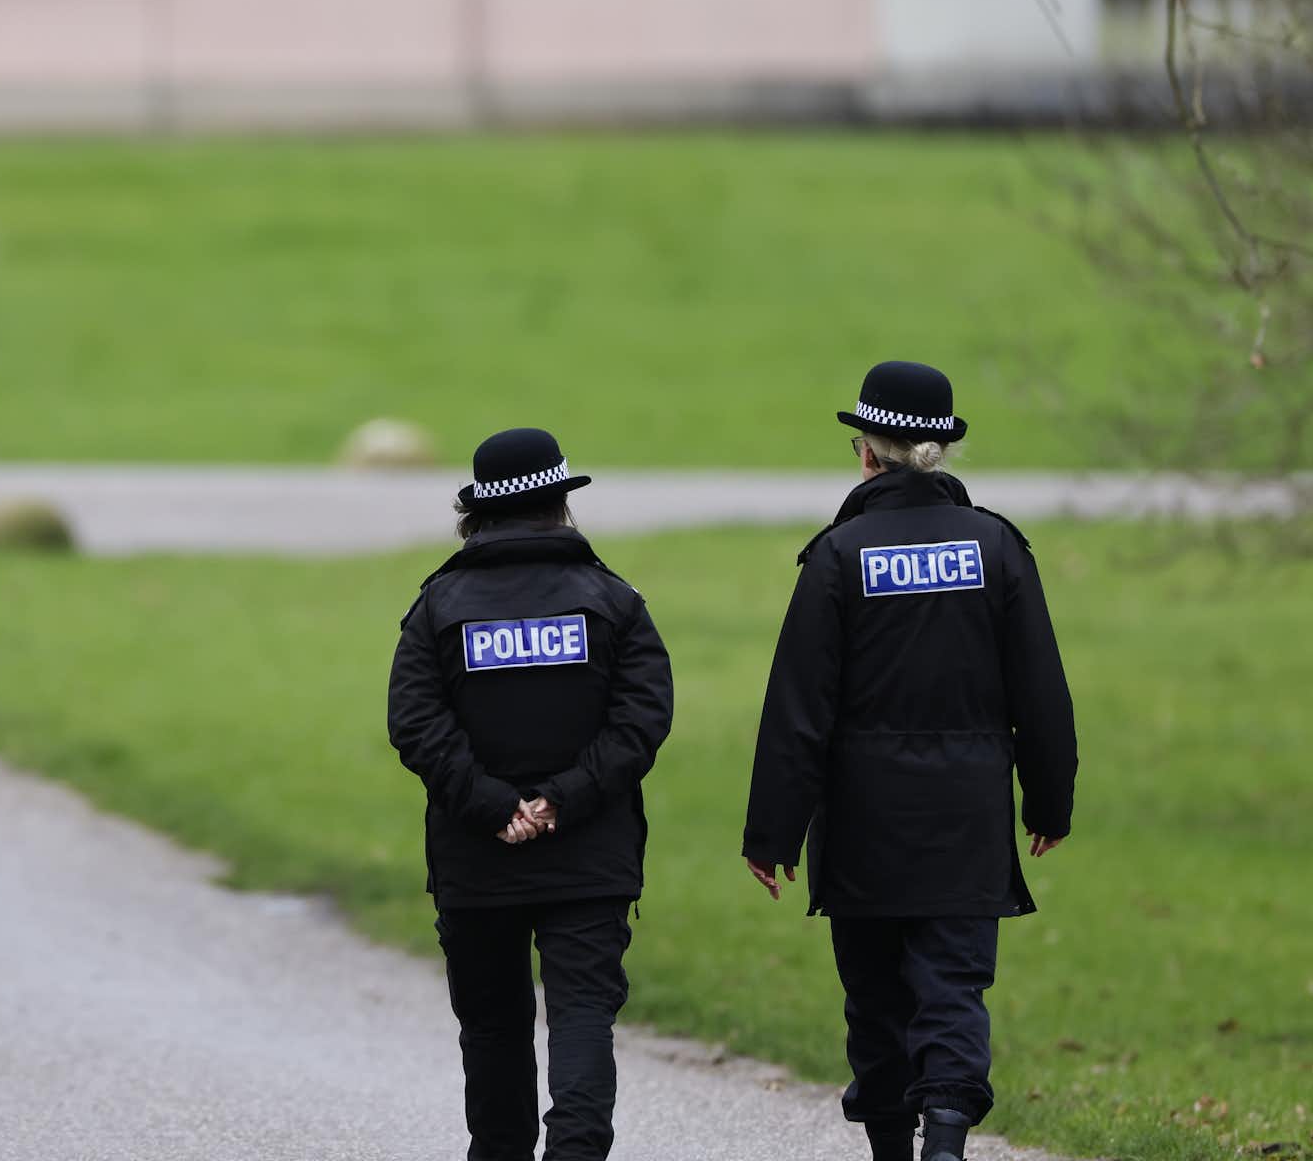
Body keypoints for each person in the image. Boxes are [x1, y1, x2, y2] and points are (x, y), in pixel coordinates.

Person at [742, 361, 1079, 1161]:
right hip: (966, 815)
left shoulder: (838, 555)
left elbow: (799, 711)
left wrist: (772, 834)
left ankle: (894, 1147)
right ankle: (949, 1141)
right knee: (954, 985)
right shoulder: (996, 546)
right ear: (942, 449)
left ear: (867, 452)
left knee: (876, 993)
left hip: (862, 820)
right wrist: (1048, 803)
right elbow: (1042, 689)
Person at [387, 427, 676, 1161]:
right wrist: (561, 801)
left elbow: (415, 725)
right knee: (582, 1016)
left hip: (476, 858)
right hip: (588, 853)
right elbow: (641, 722)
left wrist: (494, 807)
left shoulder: (436, 609)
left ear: (478, 512)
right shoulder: (614, 602)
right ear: (560, 505)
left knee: (493, 1026)